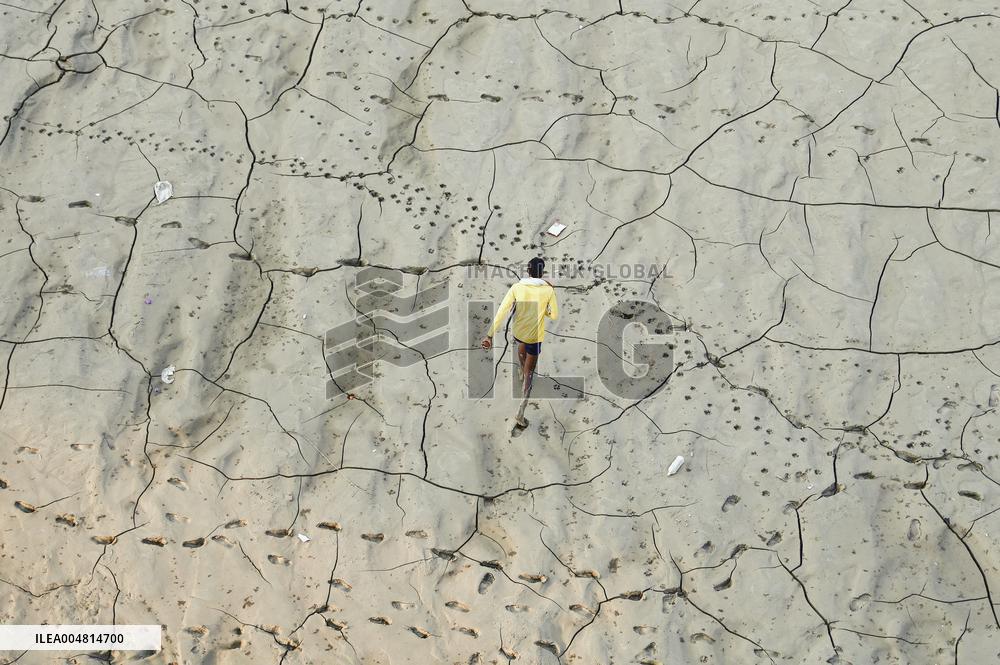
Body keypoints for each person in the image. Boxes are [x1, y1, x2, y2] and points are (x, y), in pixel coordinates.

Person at [482, 257, 558, 425]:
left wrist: (489, 335)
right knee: (530, 373)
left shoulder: (516, 287)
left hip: (518, 332)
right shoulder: (548, 290)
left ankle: (521, 371)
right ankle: (521, 412)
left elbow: (502, 310)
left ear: (528, 271)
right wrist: (544, 309)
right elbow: (554, 315)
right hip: (534, 336)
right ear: (542, 273)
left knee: (520, 348)